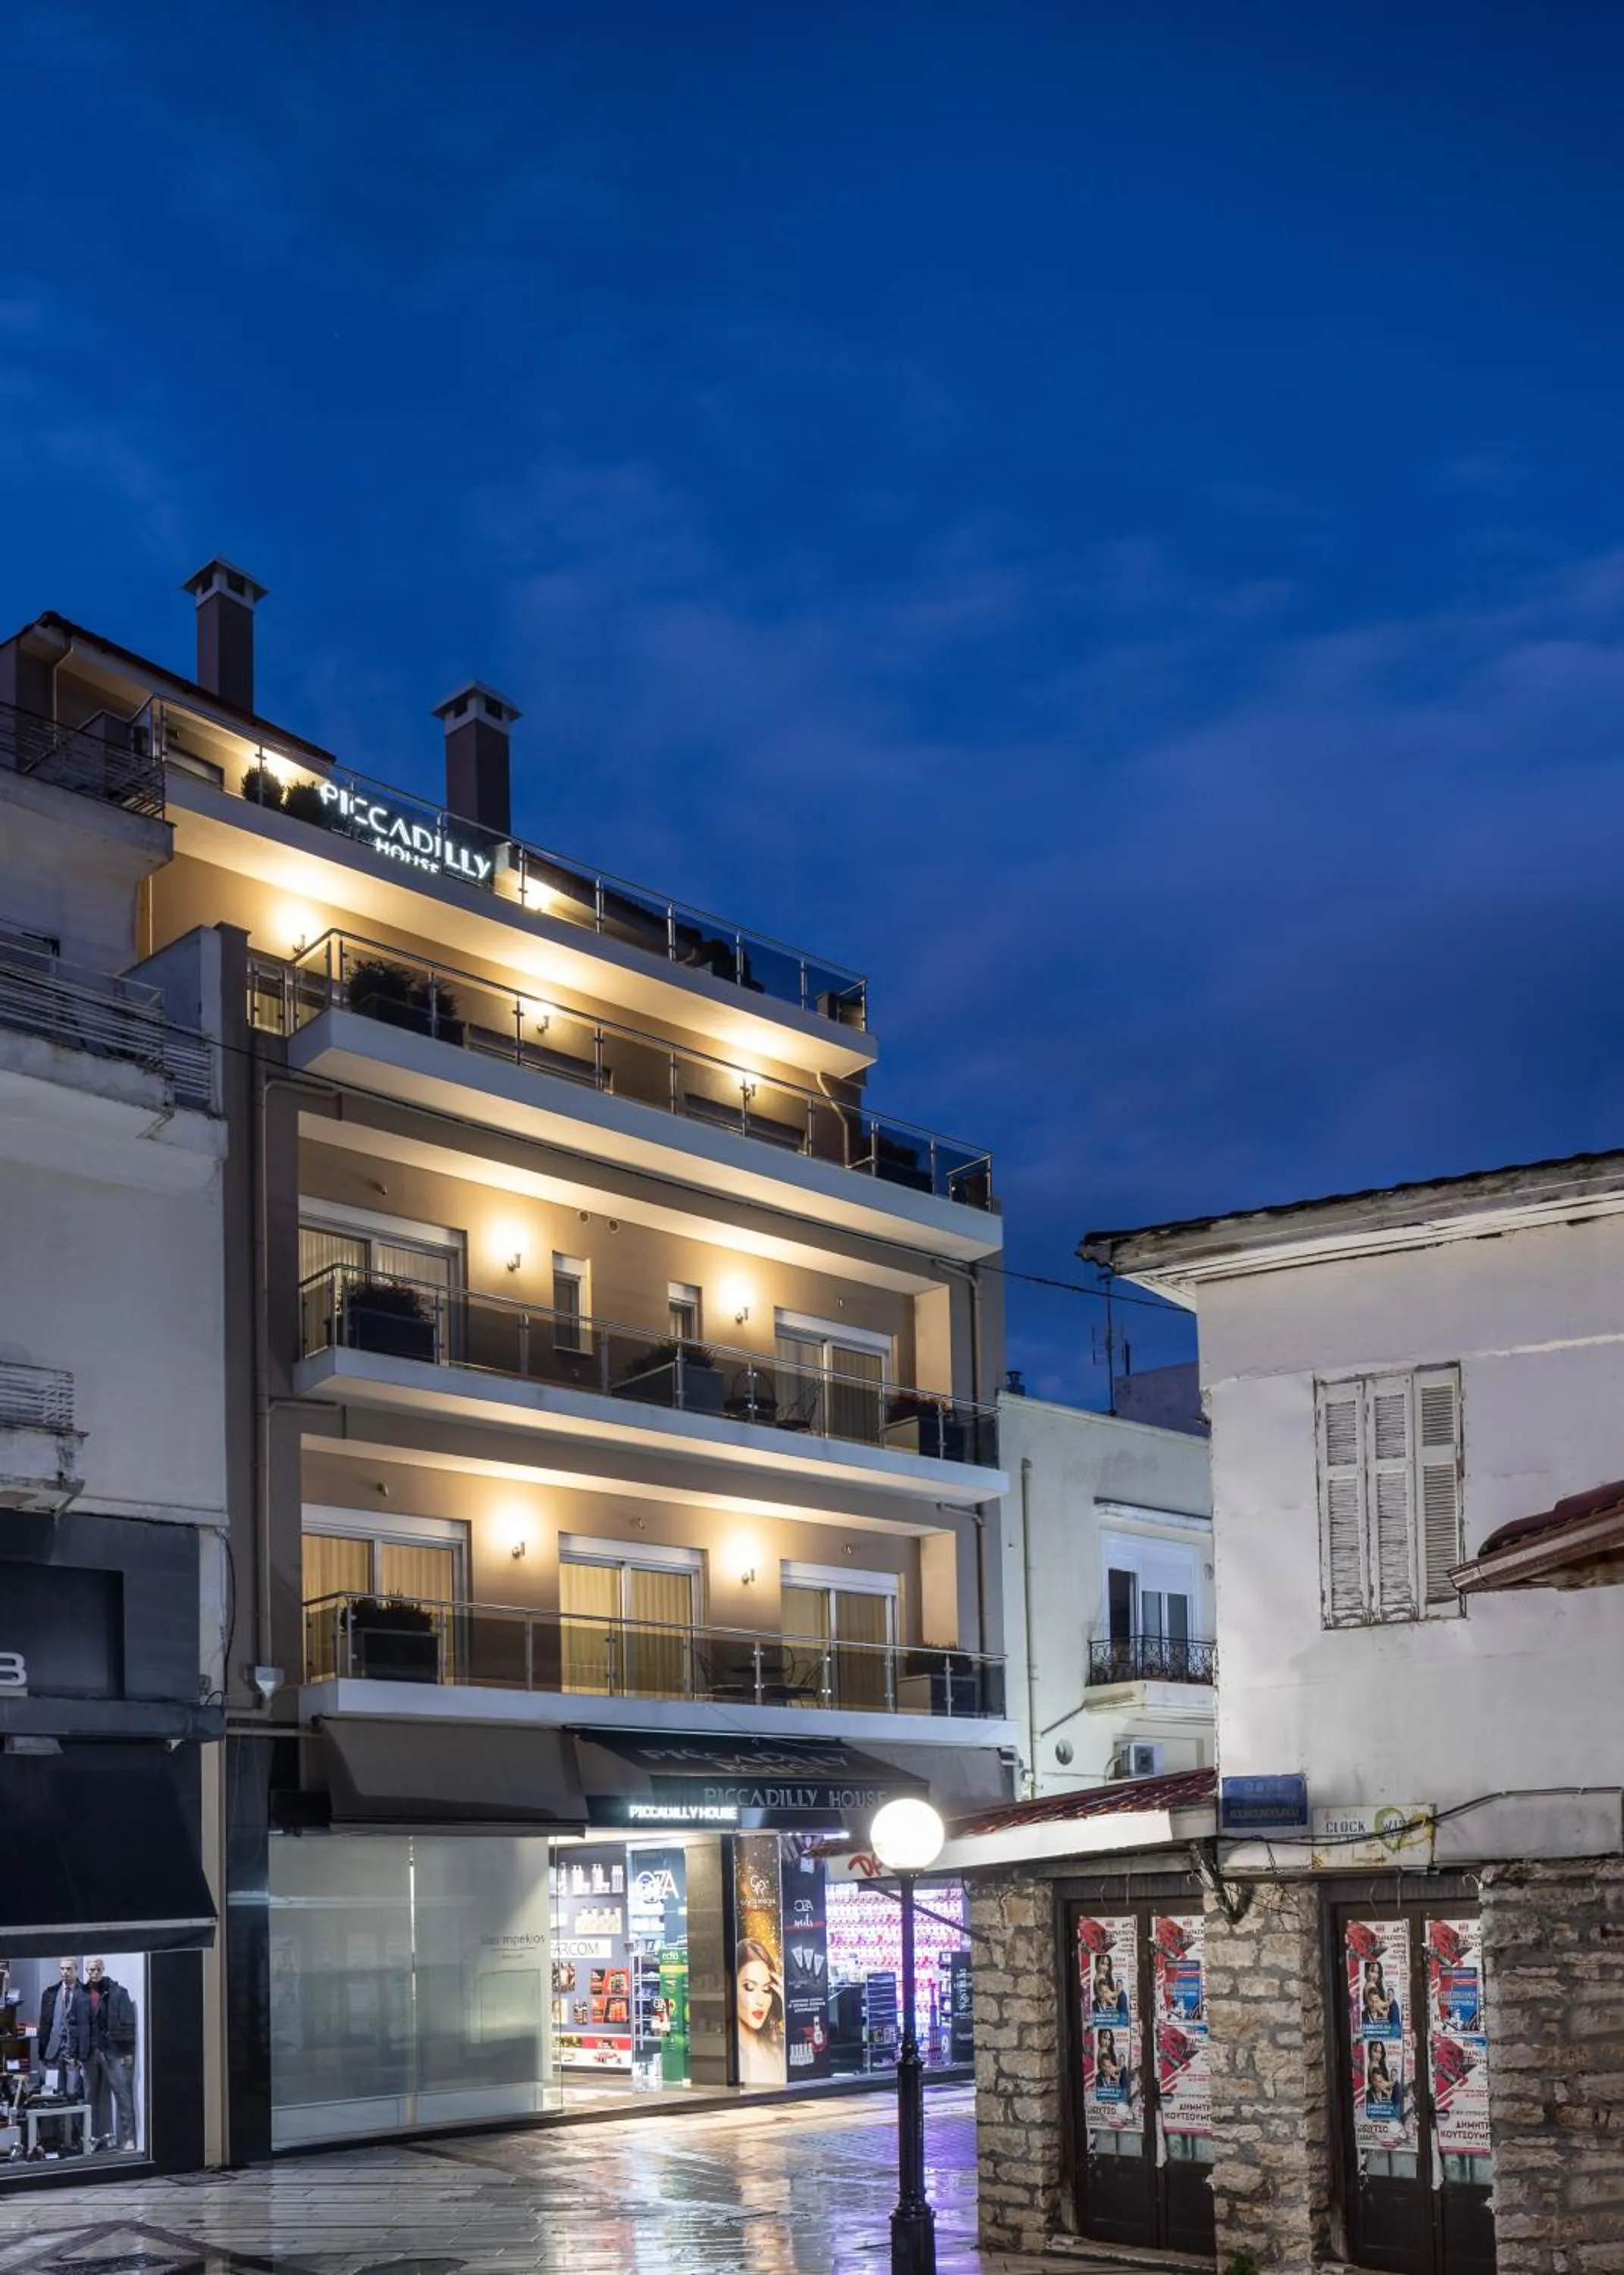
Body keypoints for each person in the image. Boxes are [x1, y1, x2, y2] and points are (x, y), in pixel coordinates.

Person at [83, 1960, 137, 2154]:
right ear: (86, 1971)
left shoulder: (118, 1992)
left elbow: (129, 2024)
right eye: (91, 1970)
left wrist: (129, 2051)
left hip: (114, 2050)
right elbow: (74, 2023)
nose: (94, 1973)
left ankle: (129, 2138)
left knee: (123, 2094)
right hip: (90, 2051)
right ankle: (94, 2140)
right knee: (91, 2098)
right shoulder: (83, 1993)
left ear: (103, 1970)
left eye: (98, 1970)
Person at [735, 1939, 785, 2086]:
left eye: (766, 1989)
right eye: (749, 1987)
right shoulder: (728, 2051)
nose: (760, 2000)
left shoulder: (777, 2044)